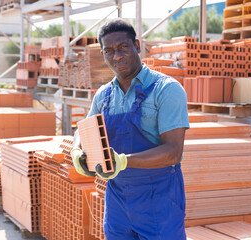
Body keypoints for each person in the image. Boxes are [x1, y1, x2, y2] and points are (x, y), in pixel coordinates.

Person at [70, 18, 189, 240]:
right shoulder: (104, 96)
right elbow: (84, 130)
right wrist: (77, 150)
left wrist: (123, 161)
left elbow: (174, 152)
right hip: (118, 203)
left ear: (136, 46)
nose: (117, 56)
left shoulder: (166, 89)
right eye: (109, 51)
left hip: (159, 202)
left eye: (123, 47)